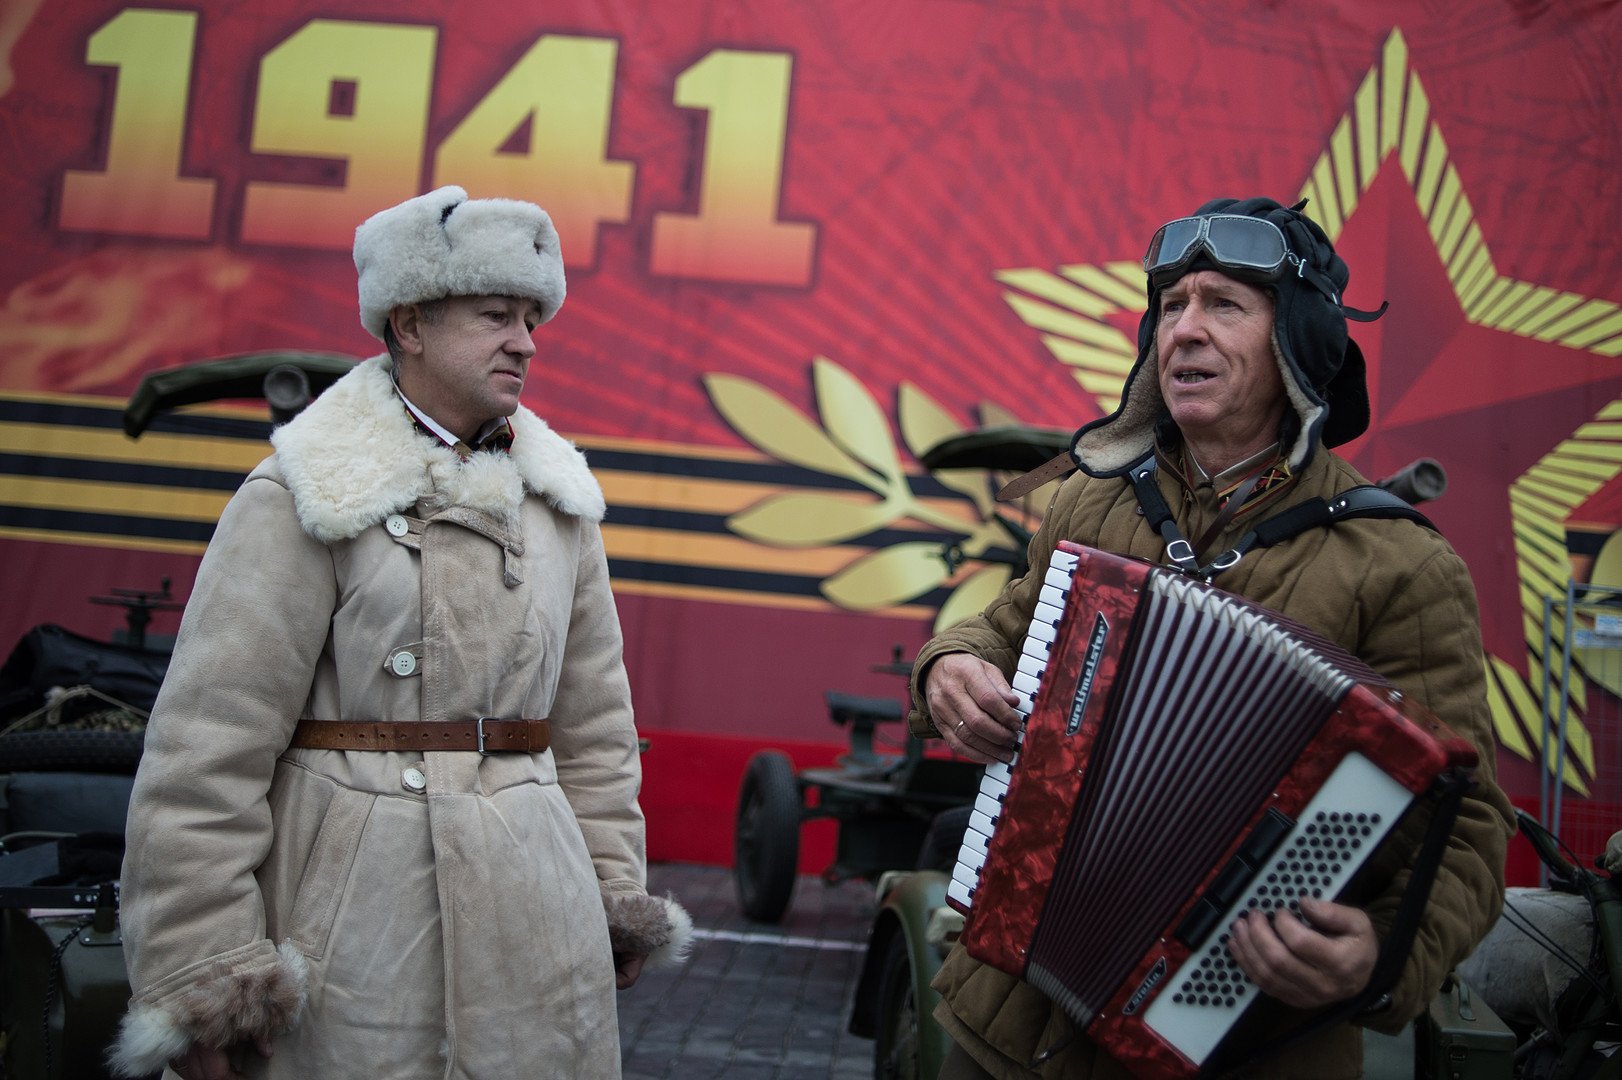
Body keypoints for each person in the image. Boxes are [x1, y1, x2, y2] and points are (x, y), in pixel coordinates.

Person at [909, 197, 1515, 1079]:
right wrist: (952, 666)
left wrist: (1378, 959)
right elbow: (1005, 627)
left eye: (1225, 305)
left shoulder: (1401, 566)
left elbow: (1468, 830)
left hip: (1245, 1042)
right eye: (1170, 306)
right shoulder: (1093, 501)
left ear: (1299, 343)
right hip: (1009, 1020)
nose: (1184, 331)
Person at [110, 186, 691, 1080]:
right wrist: (206, 970)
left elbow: (596, 736)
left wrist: (611, 891)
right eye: (496, 314)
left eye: (532, 318)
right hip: (357, 946)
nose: (525, 342)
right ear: (410, 324)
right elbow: (205, 755)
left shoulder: (562, 510)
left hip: (541, 934)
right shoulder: (301, 498)